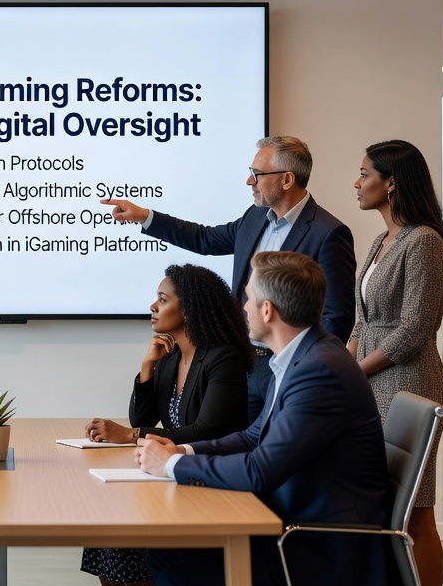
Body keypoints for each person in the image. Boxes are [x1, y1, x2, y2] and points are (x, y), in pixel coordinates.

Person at [134, 251, 393, 586]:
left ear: (267, 310)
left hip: (322, 551)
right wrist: (182, 449)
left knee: (179, 585)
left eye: (249, 298)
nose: (243, 307)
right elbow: (256, 436)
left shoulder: (317, 372)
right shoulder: (302, 358)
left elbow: (259, 471)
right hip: (299, 528)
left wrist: (172, 465)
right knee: (163, 555)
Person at [101, 136, 355, 424]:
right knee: (235, 446)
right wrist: (146, 217)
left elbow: (338, 316)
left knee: (273, 454)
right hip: (242, 362)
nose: (249, 181)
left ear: (287, 179)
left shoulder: (328, 233)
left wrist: (306, 368)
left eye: (257, 174)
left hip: (286, 365)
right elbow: (205, 238)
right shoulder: (254, 217)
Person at [81, 264, 254, 586]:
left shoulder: (223, 358)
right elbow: (143, 416)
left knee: (120, 535)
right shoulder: (171, 357)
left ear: (188, 308)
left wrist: (129, 436)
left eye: (162, 299)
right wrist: (148, 366)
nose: (153, 307)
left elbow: (208, 431)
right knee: (102, 523)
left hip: (212, 481)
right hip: (174, 474)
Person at [349, 139, 443, 586]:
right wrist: (339, 371)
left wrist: (356, 370)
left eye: (364, 173)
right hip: (373, 385)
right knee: (386, 509)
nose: (357, 182)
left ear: (390, 183)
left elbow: (415, 329)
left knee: (417, 513)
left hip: (411, 387)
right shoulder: (381, 241)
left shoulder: (424, 242)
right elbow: (362, 322)